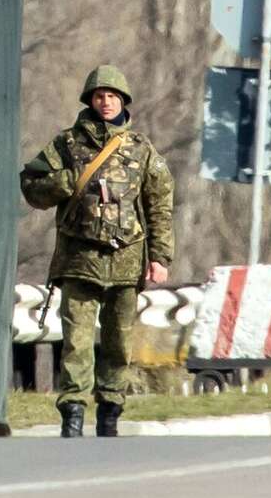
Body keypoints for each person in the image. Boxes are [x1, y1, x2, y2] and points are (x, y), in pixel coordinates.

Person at [19, 65, 175, 438]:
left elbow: (159, 204)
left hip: (126, 259)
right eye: (100, 96)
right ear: (90, 100)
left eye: (112, 96)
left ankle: (110, 409)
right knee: (76, 341)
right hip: (79, 259)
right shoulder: (67, 144)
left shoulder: (140, 149)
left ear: (123, 100)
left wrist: (160, 257)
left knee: (118, 340)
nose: (106, 102)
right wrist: (66, 182)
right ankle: (73, 410)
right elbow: (31, 185)